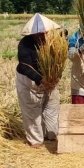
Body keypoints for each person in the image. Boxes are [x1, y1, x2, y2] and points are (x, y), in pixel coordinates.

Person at [16, 14, 61, 148]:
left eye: (45, 32)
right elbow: (25, 67)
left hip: (49, 80)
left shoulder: (54, 41)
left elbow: (60, 60)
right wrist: (40, 79)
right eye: (39, 33)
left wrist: (56, 75)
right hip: (30, 81)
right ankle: (36, 140)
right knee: (32, 112)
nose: (43, 35)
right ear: (32, 33)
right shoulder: (25, 45)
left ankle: (51, 135)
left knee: (51, 108)